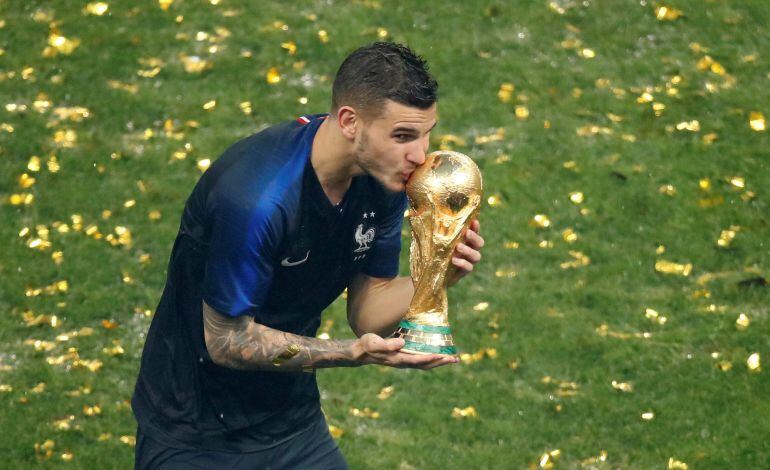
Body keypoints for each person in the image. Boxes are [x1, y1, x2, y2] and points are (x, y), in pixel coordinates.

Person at [132, 42, 485, 469]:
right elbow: (226, 340)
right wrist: (350, 353)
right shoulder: (259, 198)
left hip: (292, 422)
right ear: (350, 121)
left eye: (426, 132)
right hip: (193, 431)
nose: (420, 155)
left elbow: (368, 311)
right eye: (404, 136)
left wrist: (437, 274)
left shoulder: (385, 179)